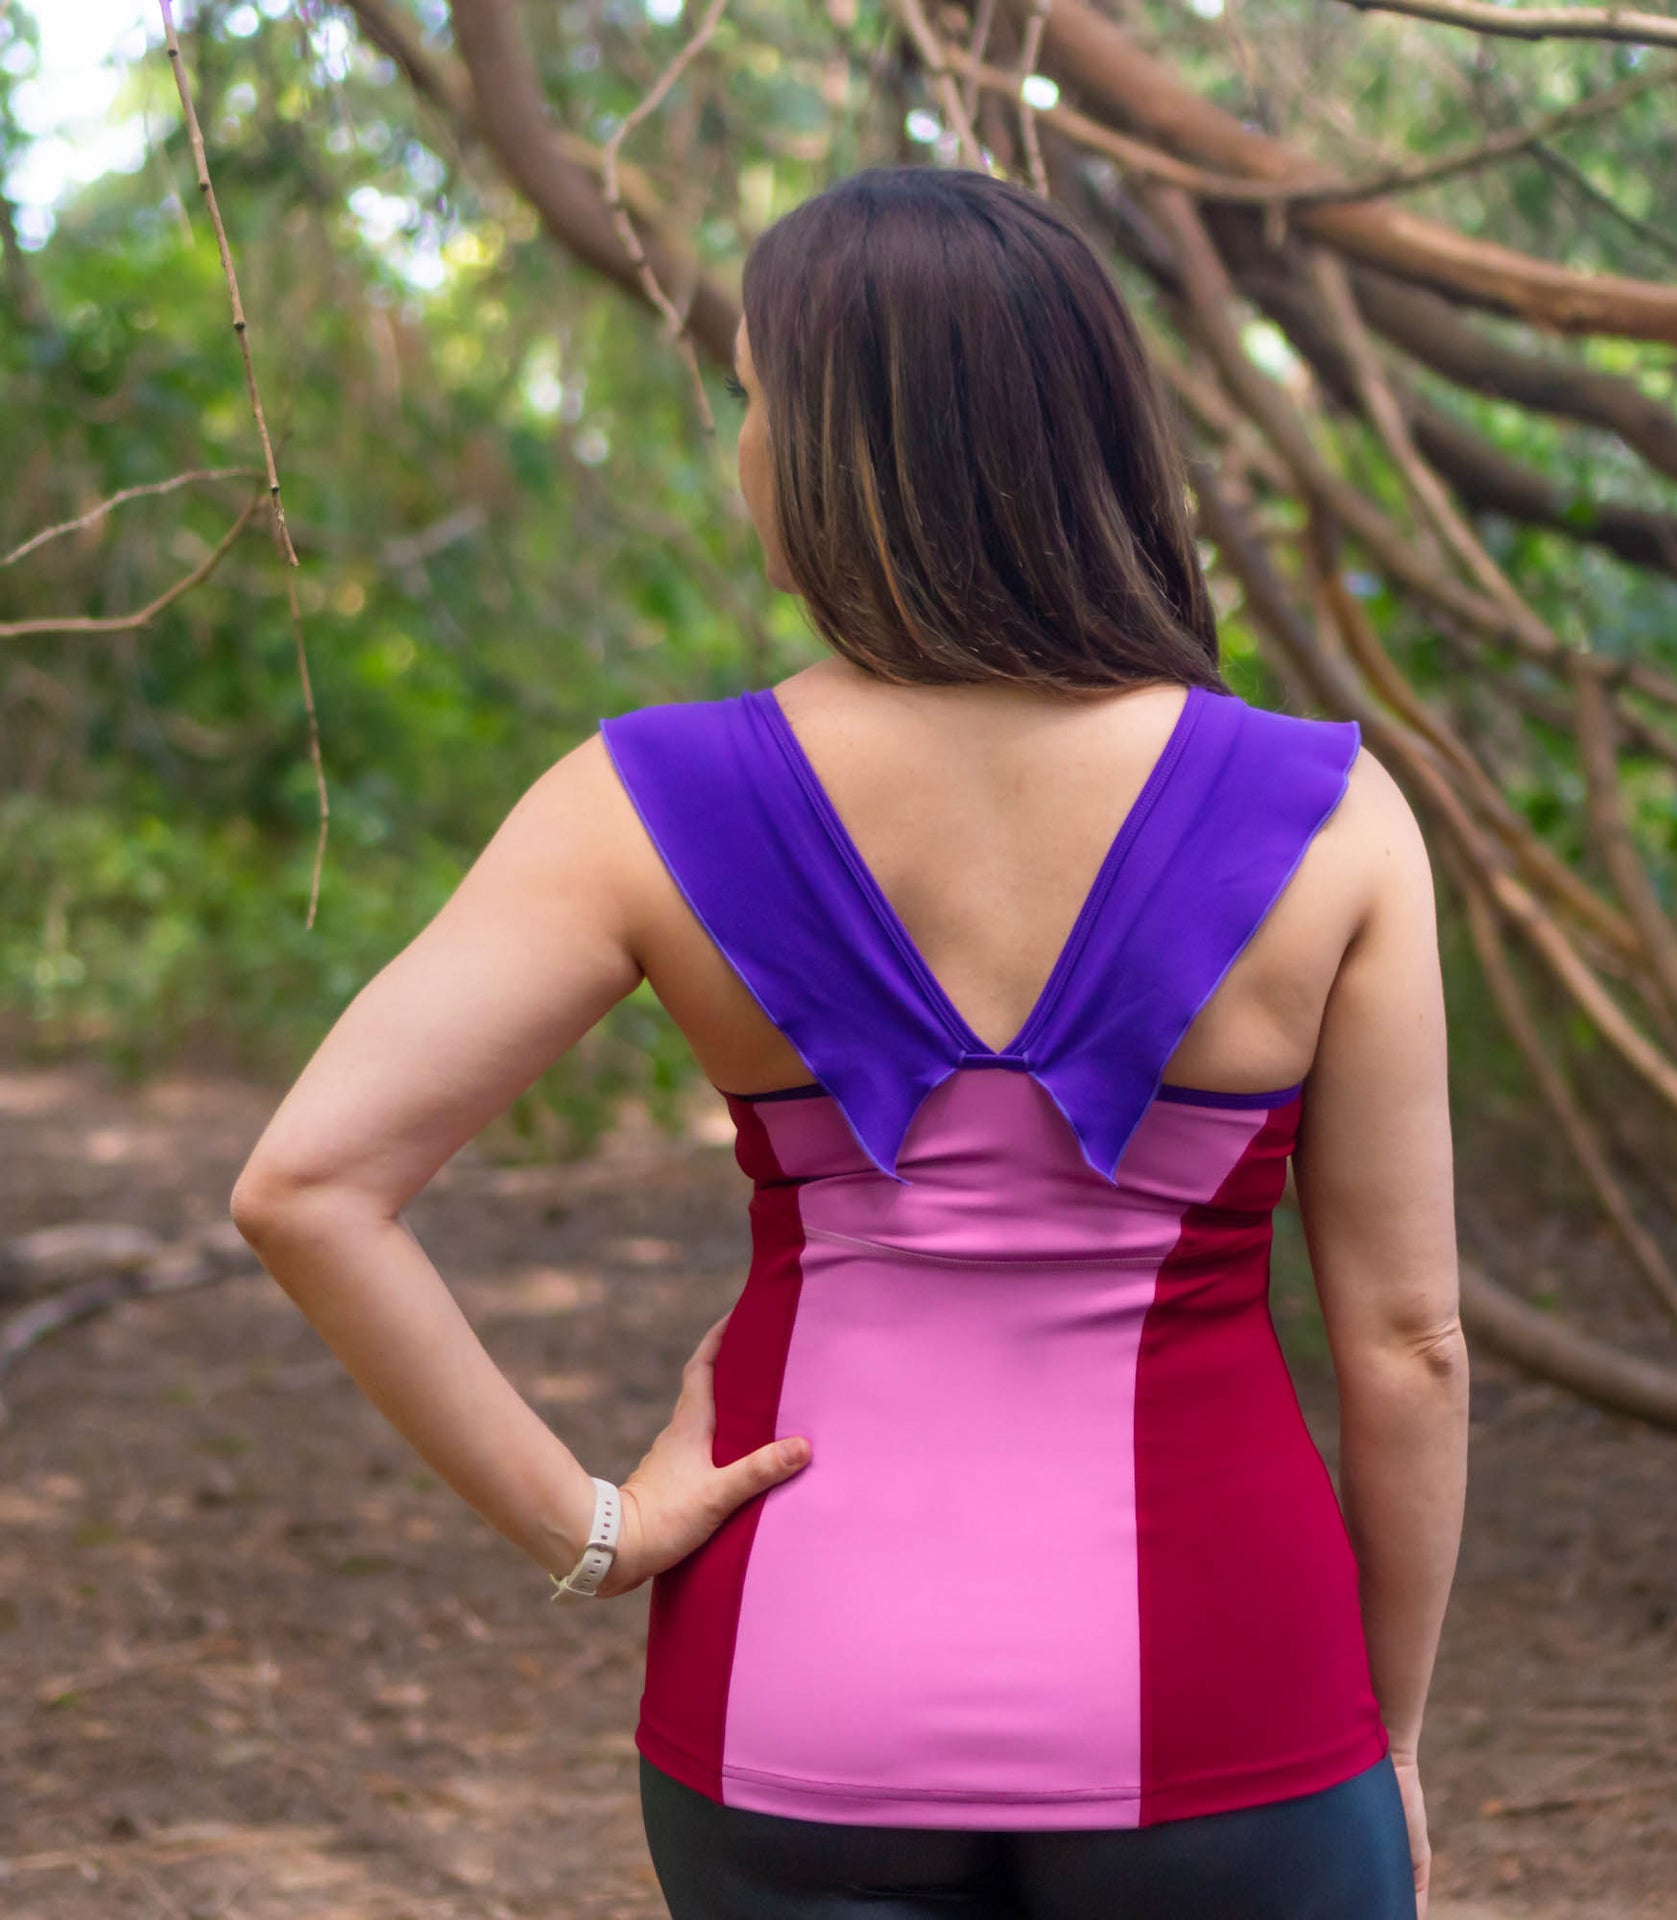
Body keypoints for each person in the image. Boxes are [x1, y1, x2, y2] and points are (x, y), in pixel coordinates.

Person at [231, 164, 1466, 1920]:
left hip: (789, 1694)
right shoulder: (1332, 816)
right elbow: (1409, 1346)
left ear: (839, 451)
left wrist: (588, 1526)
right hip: (1235, 1694)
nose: (743, 448)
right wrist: (1388, 1731)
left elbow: (308, 1185)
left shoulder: (645, 798)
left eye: (756, 399)